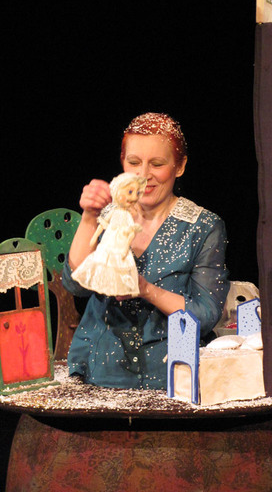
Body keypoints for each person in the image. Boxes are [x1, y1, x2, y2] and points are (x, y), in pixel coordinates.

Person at [62, 112, 230, 390]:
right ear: (122, 162)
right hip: (96, 370)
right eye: (134, 162)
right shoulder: (109, 214)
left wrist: (144, 289)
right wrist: (89, 217)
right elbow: (76, 285)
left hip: (169, 376)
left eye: (157, 164)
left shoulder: (202, 227)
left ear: (179, 166)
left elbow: (205, 314)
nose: (143, 175)